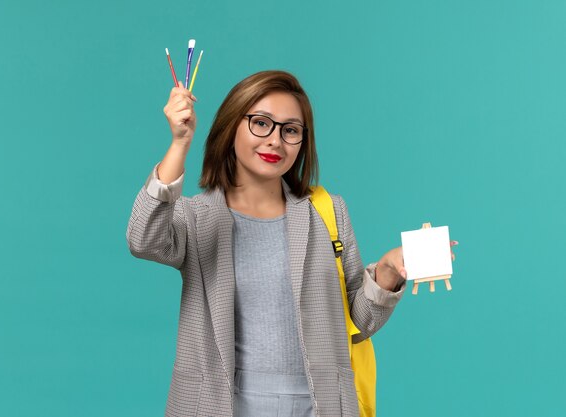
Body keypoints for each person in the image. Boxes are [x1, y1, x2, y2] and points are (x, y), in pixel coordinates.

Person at [126, 70, 453, 417]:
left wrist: (388, 271)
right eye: (261, 123)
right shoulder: (196, 217)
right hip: (221, 406)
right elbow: (143, 239)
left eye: (290, 130)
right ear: (231, 126)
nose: (275, 141)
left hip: (320, 406)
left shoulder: (327, 212)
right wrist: (179, 144)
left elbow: (359, 323)